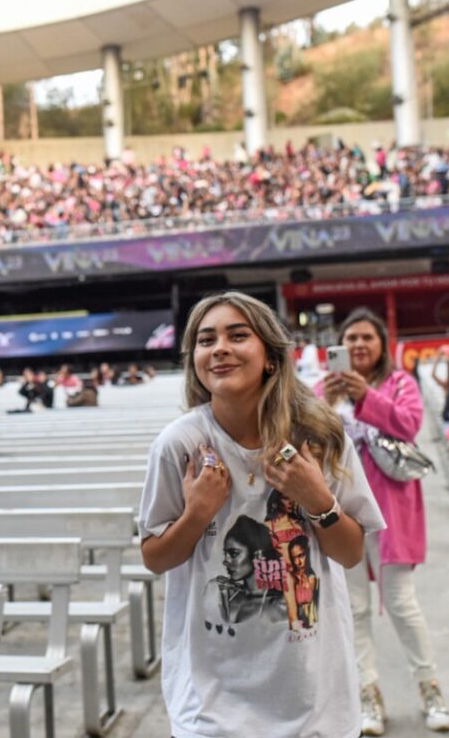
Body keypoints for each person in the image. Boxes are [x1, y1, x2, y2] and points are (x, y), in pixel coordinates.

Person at [138, 290, 384, 738]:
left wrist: (316, 500)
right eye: (206, 340)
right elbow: (154, 557)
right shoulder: (179, 445)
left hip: (311, 688)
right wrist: (197, 514)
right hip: (211, 694)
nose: (220, 349)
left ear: (270, 356)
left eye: (237, 335)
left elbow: (350, 554)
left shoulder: (320, 436)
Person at [319, 308, 449, 735]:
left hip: (393, 511)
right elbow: (300, 432)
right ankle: (368, 697)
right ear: (340, 346)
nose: (359, 345)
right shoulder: (323, 389)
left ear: (382, 345)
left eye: (367, 338)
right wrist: (329, 402)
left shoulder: (401, 384)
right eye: (351, 338)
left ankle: (430, 689)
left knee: (401, 603)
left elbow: (410, 425)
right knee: (354, 609)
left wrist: (365, 397)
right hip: (342, 513)